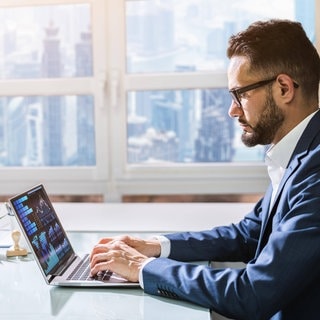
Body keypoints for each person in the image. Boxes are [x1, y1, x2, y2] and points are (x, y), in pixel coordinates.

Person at [90, 19, 320, 320]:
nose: (233, 110)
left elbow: (251, 293)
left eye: (241, 94)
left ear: (284, 88)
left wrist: (140, 268)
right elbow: (247, 234)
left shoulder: (315, 173)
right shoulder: (300, 153)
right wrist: (156, 246)